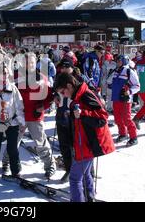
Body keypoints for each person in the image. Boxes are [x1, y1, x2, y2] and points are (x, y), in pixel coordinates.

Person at [54, 73, 115, 202]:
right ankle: (89, 197)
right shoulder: (79, 95)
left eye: (63, 91)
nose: (64, 95)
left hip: (89, 143)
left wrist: (82, 114)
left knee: (75, 178)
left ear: (70, 86)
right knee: (86, 174)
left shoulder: (85, 94)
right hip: (84, 142)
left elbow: (102, 118)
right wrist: (72, 113)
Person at [11, 53, 56, 179]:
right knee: (13, 142)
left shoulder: (42, 77)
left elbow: (50, 97)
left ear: (35, 63)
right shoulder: (15, 76)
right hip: (19, 116)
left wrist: (44, 106)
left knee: (41, 143)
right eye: (26, 62)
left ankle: (50, 165)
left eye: (31, 62)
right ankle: (8, 163)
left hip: (35, 116)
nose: (28, 65)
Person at [0, 64, 26, 181]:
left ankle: (15, 171)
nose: (5, 75)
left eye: (6, 73)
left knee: (12, 148)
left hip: (11, 123)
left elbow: (19, 106)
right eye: (3, 73)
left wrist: (22, 123)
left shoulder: (13, 89)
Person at [111, 55, 140, 147]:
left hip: (125, 99)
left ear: (124, 61)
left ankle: (133, 137)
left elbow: (137, 86)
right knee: (118, 118)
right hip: (116, 98)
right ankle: (123, 133)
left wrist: (129, 91)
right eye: (117, 60)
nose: (117, 62)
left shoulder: (129, 71)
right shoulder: (116, 71)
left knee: (126, 119)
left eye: (119, 60)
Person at [54, 59, 75, 182]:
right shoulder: (59, 78)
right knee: (64, 145)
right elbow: (54, 91)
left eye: (65, 67)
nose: (62, 69)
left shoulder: (78, 78)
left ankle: (86, 172)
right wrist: (56, 96)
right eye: (61, 67)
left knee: (77, 145)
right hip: (61, 114)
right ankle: (69, 169)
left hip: (74, 116)